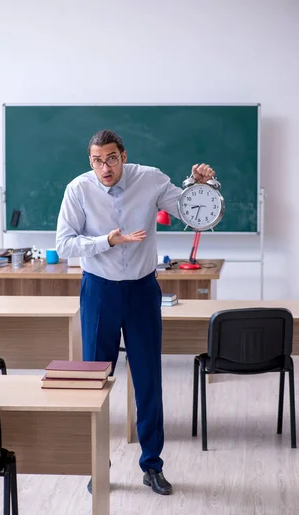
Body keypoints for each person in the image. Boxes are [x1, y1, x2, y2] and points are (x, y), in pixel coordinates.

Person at [56, 129, 215, 496]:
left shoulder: (151, 178)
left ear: (123, 156)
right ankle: (98, 463)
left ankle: (152, 466)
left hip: (143, 291)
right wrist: (106, 241)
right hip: (99, 291)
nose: (104, 166)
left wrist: (200, 187)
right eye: (96, 160)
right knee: (93, 381)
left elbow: (193, 214)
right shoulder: (78, 189)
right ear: (90, 161)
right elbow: (64, 244)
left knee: (147, 380)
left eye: (111, 158)